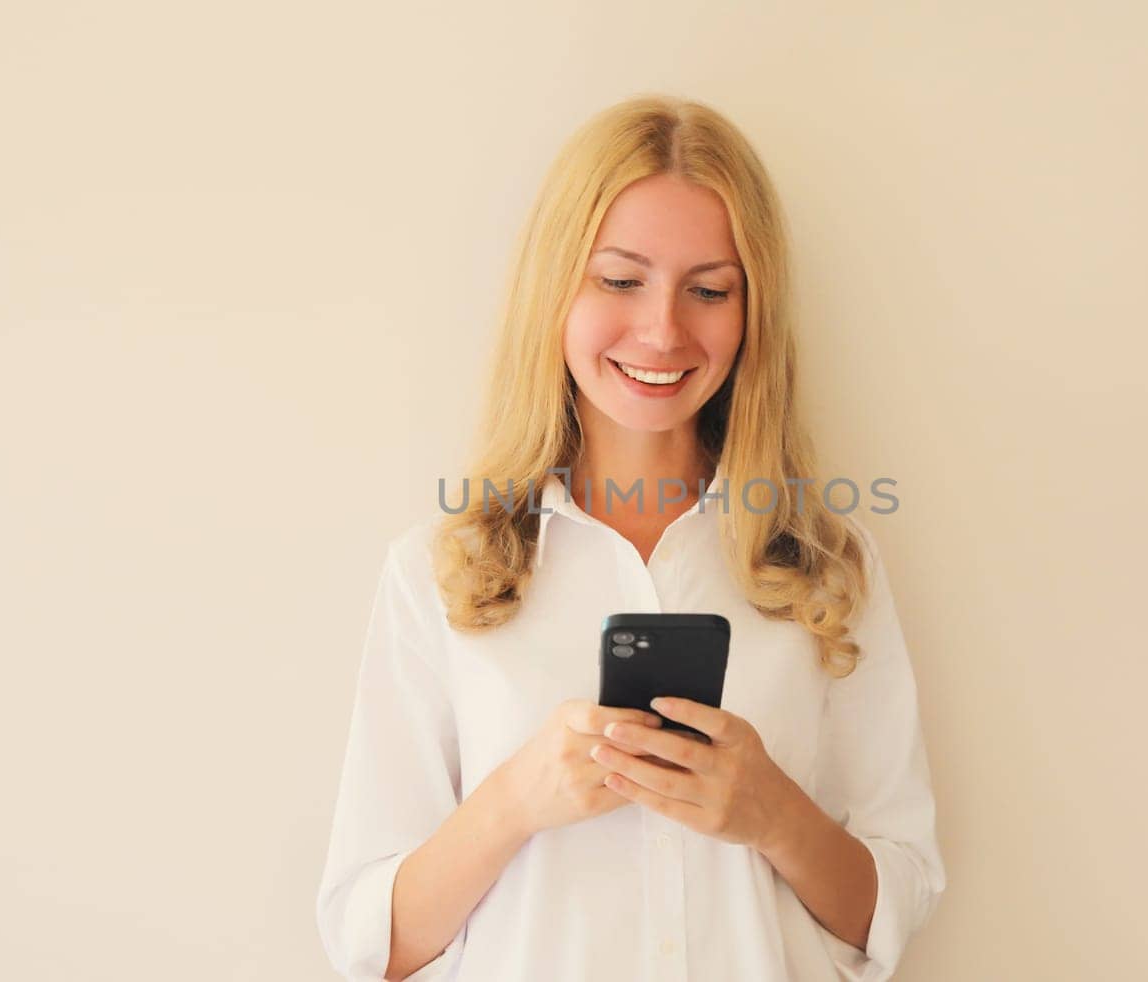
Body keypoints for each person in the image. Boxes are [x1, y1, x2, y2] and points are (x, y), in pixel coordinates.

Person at [316, 94, 946, 982]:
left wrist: (770, 812)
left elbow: (897, 901)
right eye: (620, 279)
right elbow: (370, 945)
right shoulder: (440, 570)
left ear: (751, 309)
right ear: (556, 288)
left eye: (709, 290)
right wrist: (514, 803)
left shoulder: (828, 567)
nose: (662, 330)